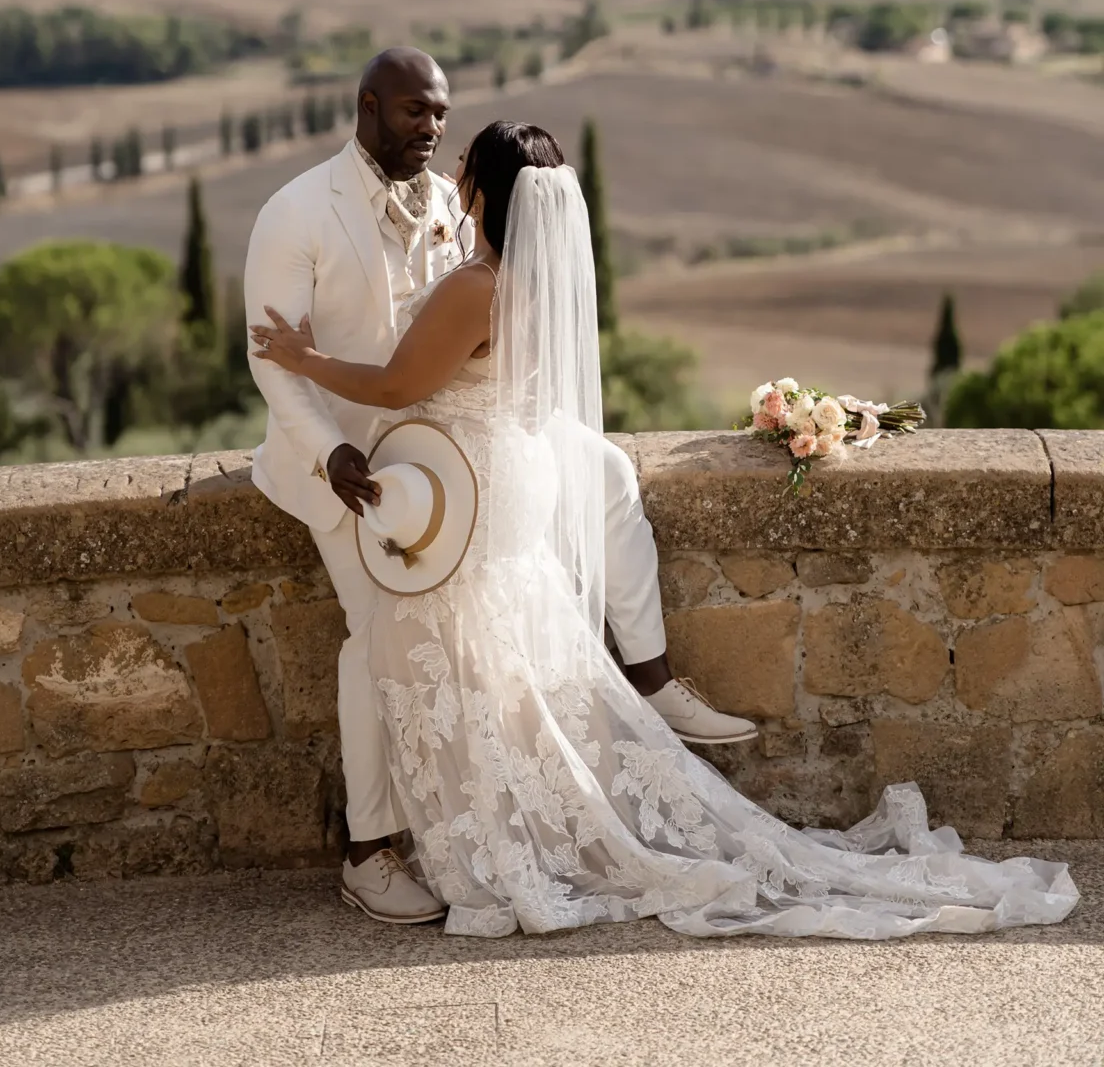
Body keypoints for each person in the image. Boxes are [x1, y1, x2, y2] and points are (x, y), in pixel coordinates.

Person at [252, 120, 1077, 939]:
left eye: (467, 161)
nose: (452, 164)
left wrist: (306, 358)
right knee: (503, 649)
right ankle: (543, 807)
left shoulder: (477, 287)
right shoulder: (536, 282)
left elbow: (398, 387)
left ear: (486, 191)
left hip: (463, 492)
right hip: (508, 474)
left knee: (460, 646)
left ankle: (505, 836)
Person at [243, 49, 752, 926]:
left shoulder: (456, 202)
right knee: (376, 642)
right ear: (368, 107)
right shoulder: (295, 212)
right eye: (415, 114)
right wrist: (329, 453)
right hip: (359, 466)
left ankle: (650, 676)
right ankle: (369, 852)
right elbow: (274, 360)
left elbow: (455, 335)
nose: (433, 133)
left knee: (609, 475)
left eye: (442, 117)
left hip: (456, 440)